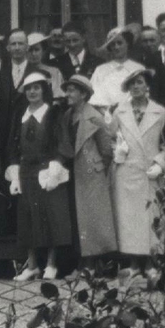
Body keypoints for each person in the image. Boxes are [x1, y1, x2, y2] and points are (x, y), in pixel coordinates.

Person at [6, 72, 73, 281]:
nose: (32, 92)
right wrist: (14, 170)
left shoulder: (53, 113)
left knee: (51, 216)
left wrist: (55, 166)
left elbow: (62, 142)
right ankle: (33, 265)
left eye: (36, 87)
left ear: (44, 90)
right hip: (26, 171)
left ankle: (51, 264)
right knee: (28, 218)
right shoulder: (21, 115)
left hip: (47, 171)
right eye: (28, 88)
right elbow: (12, 145)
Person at [109, 68, 165, 277]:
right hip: (127, 172)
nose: (136, 87)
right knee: (129, 218)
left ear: (147, 86)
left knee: (151, 217)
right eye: (132, 84)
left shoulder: (160, 112)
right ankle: (134, 264)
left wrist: (161, 163)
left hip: (150, 172)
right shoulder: (119, 111)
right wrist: (117, 151)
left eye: (140, 82)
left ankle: (151, 263)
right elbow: (111, 138)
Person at [59, 75, 117, 268]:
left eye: (72, 90)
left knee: (92, 219)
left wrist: (98, 167)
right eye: (67, 90)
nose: (67, 94)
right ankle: (83, 264)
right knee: (78, 218)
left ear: (83, 94)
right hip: (74, 172)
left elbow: (107, 149)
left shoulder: (95, 117)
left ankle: (92, 265)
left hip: (91, 173)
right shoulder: (68, 115)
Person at [90, 27, 143, 111]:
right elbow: (95, 97)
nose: (116, 47)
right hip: (106, 115)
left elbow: (143, 96)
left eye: (120, 43)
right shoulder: (101, 70)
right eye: (113, 44)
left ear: (127, 43)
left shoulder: (138, 68)